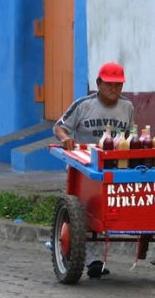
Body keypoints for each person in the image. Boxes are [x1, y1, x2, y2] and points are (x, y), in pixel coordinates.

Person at [53, 61, 135, 278]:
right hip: (84, 165)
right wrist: (66, 139)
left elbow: (130, 135)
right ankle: (90, 259)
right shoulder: (83, 105)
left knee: (107, 208)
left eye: (118, 86)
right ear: (98, 83)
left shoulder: (127, 107)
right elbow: (59, 127)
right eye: (109, 85)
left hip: (114, 164)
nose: (114, 90)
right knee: (86, 209)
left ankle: (97, 260)